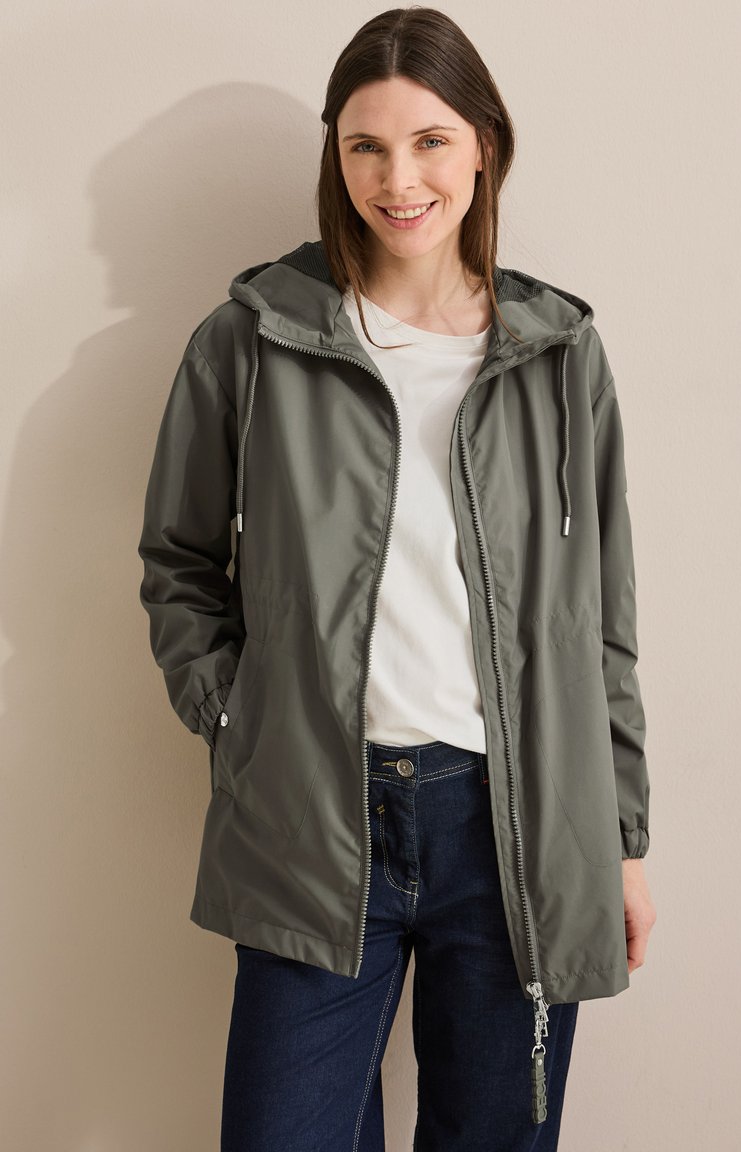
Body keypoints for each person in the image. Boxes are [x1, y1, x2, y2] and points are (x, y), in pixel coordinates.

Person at [137, 7, 656, 1150]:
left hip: (516, 824)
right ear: (334, 156)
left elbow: (600, 617)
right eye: (364, 146)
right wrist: (237, 717)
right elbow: (178, 562)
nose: (397, 179)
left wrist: (618, 838)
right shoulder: (252, 339)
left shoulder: (557, 352)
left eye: (428, 141)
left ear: (483, 145)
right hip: (310, 814)